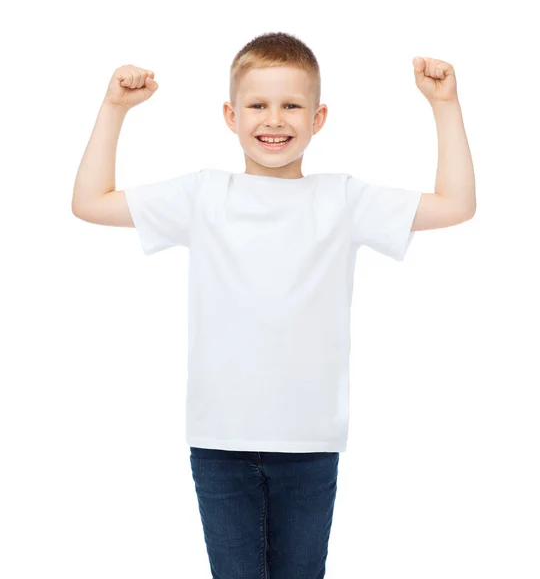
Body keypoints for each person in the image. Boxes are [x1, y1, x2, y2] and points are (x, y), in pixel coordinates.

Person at [71, 31, 476, 579]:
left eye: (292, 105)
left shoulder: (343, 199)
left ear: (318, 117)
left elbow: (456, 205)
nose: (274, 119)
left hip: (309, 443)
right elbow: (89, 203)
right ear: (230, 115)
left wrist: (444, 105)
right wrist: (114, 108)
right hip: (220, 442)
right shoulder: (203, 195)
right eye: (258, 105)